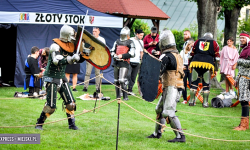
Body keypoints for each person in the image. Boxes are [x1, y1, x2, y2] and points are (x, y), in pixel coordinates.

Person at [35, 24, 86, 130]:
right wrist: (72, 59)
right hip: (51, 78)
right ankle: (39, 123)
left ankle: (71, 124)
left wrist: (84, 55)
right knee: (51, 106)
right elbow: (56, 61)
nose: (73, 38)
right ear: (67, 35)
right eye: (71, 36)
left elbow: (78, 58)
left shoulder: (69, 47)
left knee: (71, 103)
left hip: (62, 78)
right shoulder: (55, 46)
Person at [147, 29, 186, 143]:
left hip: (171, 86)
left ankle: (180, 136)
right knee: (159, 109)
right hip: (172, 86)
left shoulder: (167, 56)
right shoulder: (176, 54)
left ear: (163, 42)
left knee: (168, 111)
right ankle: (157, 133)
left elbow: (158, 71)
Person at [189, 33, 220, 107]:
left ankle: (191, 101)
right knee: (206, 84)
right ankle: (205, 103)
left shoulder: (197, 41)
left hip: (196, 63)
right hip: (207, 64)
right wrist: (215, 69)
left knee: (194, 83)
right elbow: (217, 57)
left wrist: (189, 64)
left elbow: (191, 53)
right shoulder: (214, 43)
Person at [110, 26, 135, 101]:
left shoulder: (130, 42)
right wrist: (114, 55)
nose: (123, 36)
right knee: (116, 81)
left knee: (122, 80)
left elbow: (132, 54)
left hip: (124, 62)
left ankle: (125, 97)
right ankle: (118, 96)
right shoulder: (117, 41)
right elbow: (112, 51)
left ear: (127, 35)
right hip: (116, 62)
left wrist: (122, 56)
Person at [234, 31, 250, 130]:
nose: (241, 40)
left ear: (248, 39)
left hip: (247, 78)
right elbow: (240, 68)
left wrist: (238, 61)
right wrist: (236, 79)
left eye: (243, 38)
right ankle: (243, 124)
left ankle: (244, 125)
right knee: (242, 100)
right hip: (242, 78)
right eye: (240, 38)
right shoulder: (244, 49)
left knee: (244, 100)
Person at [83, 27, 106, 93]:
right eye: (93, 31)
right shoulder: (90, 38)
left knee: (97, 73)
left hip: (98, 58)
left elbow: (104, 49)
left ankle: (98, 88)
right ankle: (85, 87)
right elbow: (86, 47)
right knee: (87, 73)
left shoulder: (102, 39)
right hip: (90, 57)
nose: (94, 32)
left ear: (99, 32)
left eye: (95, 31)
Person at [127, 29, 144, 95]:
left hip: (137, 61)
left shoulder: (141, 42)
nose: (141, 36)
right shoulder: (131, 40)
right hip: (130, 60)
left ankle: (130, 89)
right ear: (137, 34)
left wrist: (142, 61)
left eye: (142, 35)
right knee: (128, 75)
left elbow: (141, 52)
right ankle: (124, 89)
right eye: (140, 35)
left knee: (133, 77)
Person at [180, 39, 194, 104]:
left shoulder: (193, 52)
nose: (192, 47)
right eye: (191, 46)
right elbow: (179, 60)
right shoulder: (183, 52)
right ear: (188, 45)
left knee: (191, 83)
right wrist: (182, 67)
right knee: (184, 84)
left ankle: (192, 99)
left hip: (191, 68)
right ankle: (185, 99)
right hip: (184, 67)